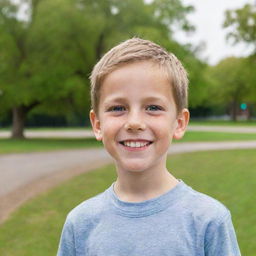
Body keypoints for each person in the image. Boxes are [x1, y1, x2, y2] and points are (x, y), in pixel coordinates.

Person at [57, 38, 241, 256]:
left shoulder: (208, 221)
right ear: (97, 124)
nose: (135, 122)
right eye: (118, 108)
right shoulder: (80, 224)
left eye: (153, 107)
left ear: (179, 123)